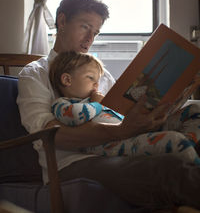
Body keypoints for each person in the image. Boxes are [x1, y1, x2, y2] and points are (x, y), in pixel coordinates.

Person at [17, 0, 200, 210]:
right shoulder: (35, 73)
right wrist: (120, 131)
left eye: (96, 32)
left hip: (123, 144)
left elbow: (122, 116)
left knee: (194, 111)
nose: (90, 39)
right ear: (62, 21)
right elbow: (48, 136)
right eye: (85, 27)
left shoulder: (101, 75)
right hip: (71, 163)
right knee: (168, 168)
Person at [49, 50, 200, 163]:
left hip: (138, 130)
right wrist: (97, 103)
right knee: (174, 140)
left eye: (98, 80)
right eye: (90, 78)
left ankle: (188, 147)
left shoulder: (98, 101)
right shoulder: (62, 103)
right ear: (67, 80)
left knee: (194, 111)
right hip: (116, 144)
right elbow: (75, 116)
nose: (96, 84)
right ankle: (193, 171)